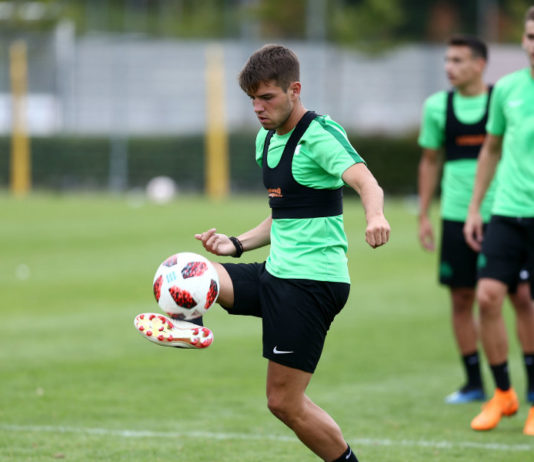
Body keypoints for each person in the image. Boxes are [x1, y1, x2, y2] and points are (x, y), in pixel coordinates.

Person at [136, 44, 390, 461]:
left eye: (267, 97)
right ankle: (189, 325)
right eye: (252, 98)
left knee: (284, 403)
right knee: (192, 268)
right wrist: (235, 244)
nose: (258, 107)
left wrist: (375, 216)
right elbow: (286, 215)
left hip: (311, 283)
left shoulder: (319, 134)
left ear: (295, 90)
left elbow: (366, 181)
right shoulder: (266, 140)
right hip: (278, 272)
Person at [417, 35, 532, 404]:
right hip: (458, 214)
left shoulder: (503, 96)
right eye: (447, 60)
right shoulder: (438, 107)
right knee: (464, 298)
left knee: (522, 298)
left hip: (505, 212)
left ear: (480, 64)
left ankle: (529, 386)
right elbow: (430, 161)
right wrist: (424, 213)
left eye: (458, 60)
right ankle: (475, 384)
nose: (449, 67)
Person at [464, 6, 534, 435]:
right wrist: (475, 208)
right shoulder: (507, 88)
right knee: (488, 298)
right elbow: (490, 150)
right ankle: (503, 394)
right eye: (530, 36)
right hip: (507, 212)